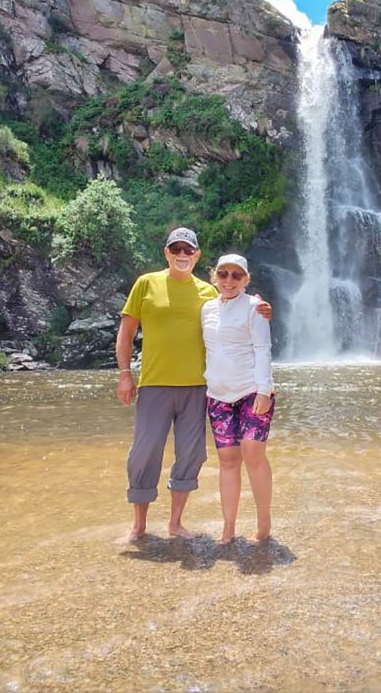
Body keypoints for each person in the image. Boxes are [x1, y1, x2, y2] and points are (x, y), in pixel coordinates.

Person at [115, 228, 270, 542]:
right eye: (177, 250)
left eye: (189, 250)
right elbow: (126, 332)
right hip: (155, 384)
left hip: (198, 389)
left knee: (191, 455)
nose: (183, 255)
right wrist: (124, 374)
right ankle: (139, 525)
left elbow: (238, 308)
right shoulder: (146, 283)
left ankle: (175, 523)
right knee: (144, 453)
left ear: (197, 256)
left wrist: (262, 306)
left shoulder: (208, 294)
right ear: (167, 253)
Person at [201, 253, 275, 545]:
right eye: (223, 274)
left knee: (252, 452)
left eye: (236, 275)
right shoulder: (206, 308)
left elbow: (263, 349)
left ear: (246, 279)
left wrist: (264, 390)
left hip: (251, 391)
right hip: (217, 394)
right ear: (214, 277)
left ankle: (263, 522)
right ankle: (228, 526)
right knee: (228, 460)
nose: (229, 280)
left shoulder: (255, 307)